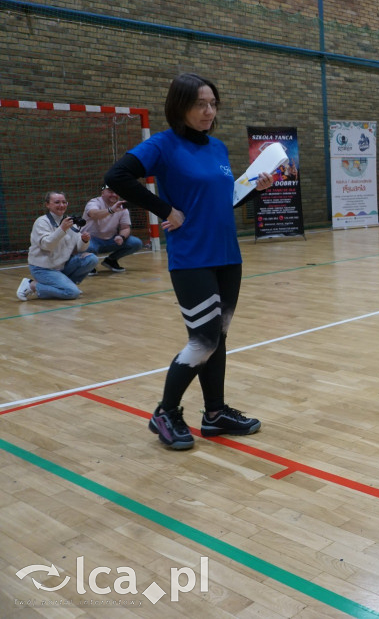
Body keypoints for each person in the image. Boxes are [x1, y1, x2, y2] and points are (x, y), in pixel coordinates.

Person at [105, 72, 273, 450]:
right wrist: (165, 208)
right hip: (191, 258)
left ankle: (214, 415)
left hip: (228, 256)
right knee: (203, 339)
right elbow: (117, 176)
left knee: (219, 338)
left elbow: (224, 200)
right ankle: (165, 412)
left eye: (212, 103)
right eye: (200, 103)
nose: (208, 110)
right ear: (180, 106)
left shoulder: (217, 148)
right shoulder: (163, 146)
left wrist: (254, 190)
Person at [16, 191, 99, 301]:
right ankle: (32, 285)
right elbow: (47, 245)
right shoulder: (41, 222)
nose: (61, 205)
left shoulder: (69, 221)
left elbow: (80, 249)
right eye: (57, 202)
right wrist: (62, 229)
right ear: (47, 205)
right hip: (43, 268)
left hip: (61, 265)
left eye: (64, 202)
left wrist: (84, 241)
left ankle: (67, 285)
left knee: (92, 259)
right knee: (71, 293)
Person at [82, 184, 144, 273]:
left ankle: (111, 260)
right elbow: (94, 214)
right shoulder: (94, 202)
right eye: (110, 191)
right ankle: (89, 264)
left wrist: (121, 237)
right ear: (103, 193)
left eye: (116, 192)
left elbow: (125, 227)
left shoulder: (122, 207)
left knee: (136, 243)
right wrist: (112, 210)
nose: (114, 194)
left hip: (110, 240)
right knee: (88, 245)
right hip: (91, 240)